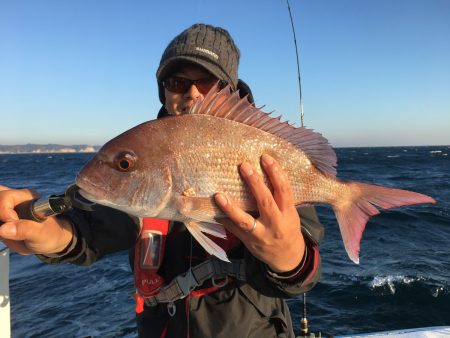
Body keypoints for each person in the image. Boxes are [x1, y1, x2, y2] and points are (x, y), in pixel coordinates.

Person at [0, 23, 324, 337]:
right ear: (164, 90)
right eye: (177, 81)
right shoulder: (148, 152)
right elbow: (95, 224)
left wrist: (289, 255)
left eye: (208, 82)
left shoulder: (260, 146)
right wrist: (51, 233)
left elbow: (303, 265)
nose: (192, 92)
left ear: (229, 91)